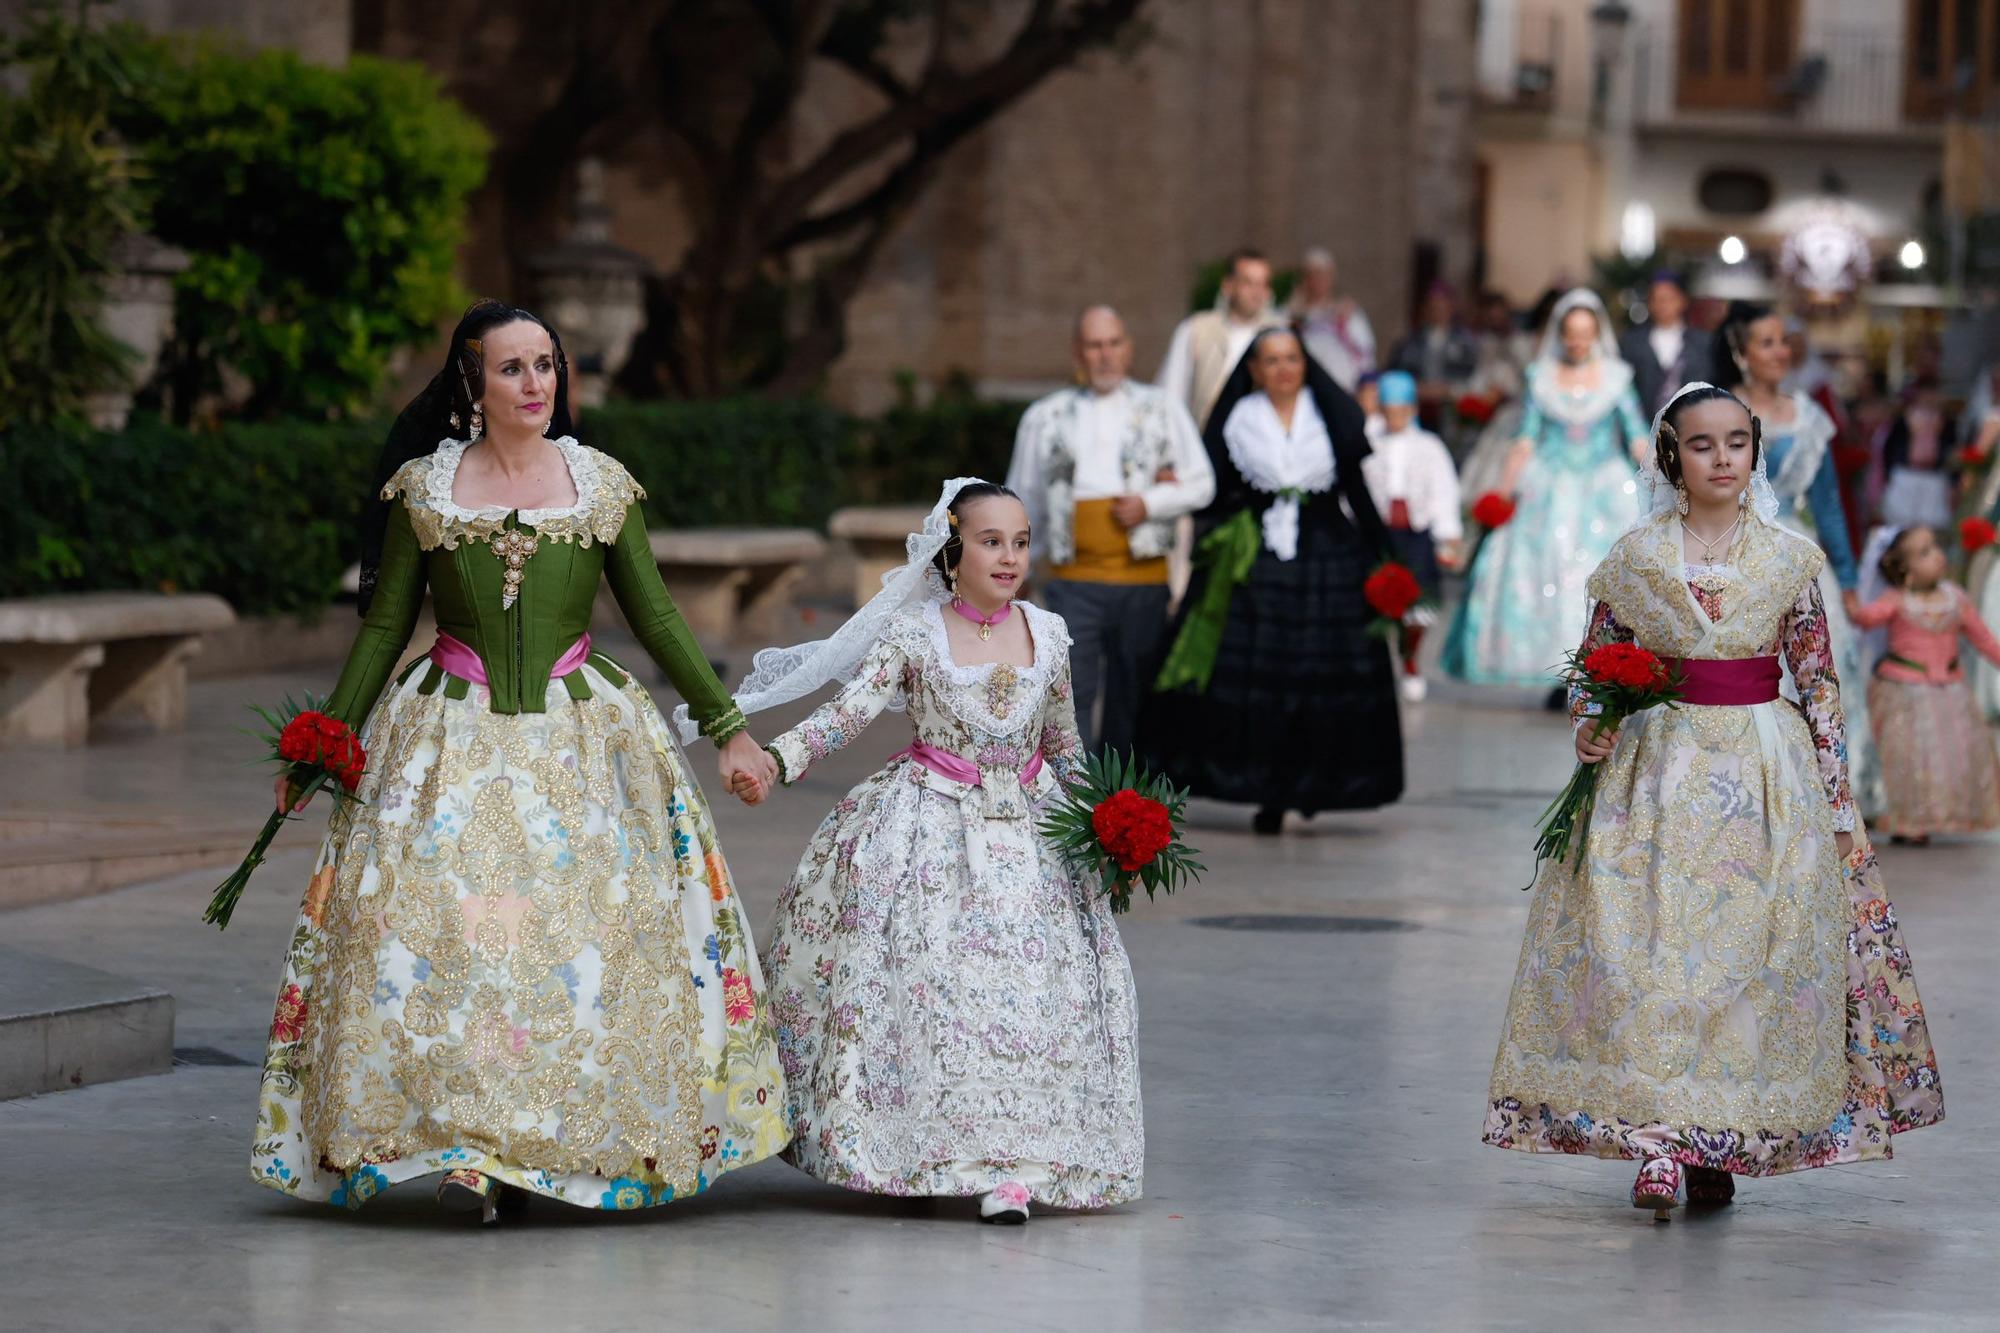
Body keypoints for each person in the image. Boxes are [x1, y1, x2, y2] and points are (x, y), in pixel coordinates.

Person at [248, 300, 788, 1222]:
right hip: (446, 733)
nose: (536, 384)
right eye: (513, 368)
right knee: (439, 935)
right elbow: (386, 625)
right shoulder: (425, 488)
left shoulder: (600, 483)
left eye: (547, 365)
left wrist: (728, 725)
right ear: (472, 381)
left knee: (582, 940)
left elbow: (655, 615)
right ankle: (463, 1146)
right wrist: (326, 740)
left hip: (582, 736)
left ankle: (558, 1142)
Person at [1485, 383, 1943, 1218]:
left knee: (1745, 962)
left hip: (1764, 777)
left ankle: (1713, 1137)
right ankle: (1660, 1143)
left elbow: (1819, 682)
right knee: (1652, 953)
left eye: (1738, 441)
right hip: (1656, 775)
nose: (1723, 457)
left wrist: (1839, 805)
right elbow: (1598, 661)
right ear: (1672, 457)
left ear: (1755, 451)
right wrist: (1593, 724)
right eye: (1703, 444)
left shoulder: (1789, 559)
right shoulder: (1637, 559)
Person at [711, 479, 1143, 1223]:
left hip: (1034, 837)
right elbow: (848, 714)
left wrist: (1114, 820)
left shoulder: (1050, 631)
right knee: (937, 986)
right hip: (932, 829)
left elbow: (1065, 744)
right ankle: (931, 1151)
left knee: (1036, 993)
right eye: (990, 541)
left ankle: (1018, 1166)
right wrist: (777, 762)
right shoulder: (916, 634)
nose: (1008, 556)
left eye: (1020, 541)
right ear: (952, 551)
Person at [1140, 327, 1402, 834]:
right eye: (1271, 360)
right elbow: (1213, 491)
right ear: (1254, 370)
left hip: (1328, 560)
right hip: (1252, 556)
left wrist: (1388, 561)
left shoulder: (1330, 415)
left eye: (1292, 358)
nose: (1283, 369)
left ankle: (1310, 783)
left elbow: (1357, 493)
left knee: (1315, 675)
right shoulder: (1238, 419)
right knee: (1253, 673)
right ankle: (1261, 786)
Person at [1005, 306, 1214, 752]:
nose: (1105, 355)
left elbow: (1202, 482)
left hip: (1142, 579)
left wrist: (1151, 502)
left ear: (1128, 348)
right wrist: (1014, 571)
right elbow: (1023, 503)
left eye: (1113, 343)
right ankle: (1075, 803)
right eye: (1094, 345)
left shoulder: (1162, 407)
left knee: (1132, 696)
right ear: (1078, 351)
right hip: (1070, 580)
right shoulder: (1046, 415)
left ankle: (1123, 807)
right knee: (1070, 693)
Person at [1718, 302, 1883, 814]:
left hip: (1800, 556)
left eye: (1783, 341)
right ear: (1741, 353)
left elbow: (1830, 505)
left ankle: (1825, 787)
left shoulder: (1810, 418)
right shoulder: (1718, 411)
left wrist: (1850, 580)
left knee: (1819, 669)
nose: (1780, 352)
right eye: (1766, 342)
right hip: (1737, 553)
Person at [1442, 288, 1647, 698]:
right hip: (1548, 485)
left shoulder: (1615, 378)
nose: (1577, 341)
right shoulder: (1542, 376)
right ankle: (1560, 672)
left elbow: (1636, 434)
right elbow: (1526, 439)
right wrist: (1501, 493)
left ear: (1596, 333)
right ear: (1561, 332)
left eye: (1585, 332)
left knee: (1598, 573)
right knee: (1546, 572)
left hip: (1605, 486)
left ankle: (1601, 667)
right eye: (1571, 332)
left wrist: (1662, 479)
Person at [1852, 525, 2000, 841]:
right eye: (1924, 553)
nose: (1936, 555)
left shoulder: (1955, 599)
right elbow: (1866, 619)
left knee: (1949, 755)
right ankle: (1908, 821)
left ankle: (1943, 815)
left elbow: (1984, 639)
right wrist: (1849, 598)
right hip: (1903, 692)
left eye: (1934, 547)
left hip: (1949, 694)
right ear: (1904, 571)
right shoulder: (1896, 600)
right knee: (1909, 758)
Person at [1362, 370, 1464, 701]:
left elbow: (1443, 490)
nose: (1394, 418)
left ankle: (1410, 661)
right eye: (1388, 411)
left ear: (1412, 410)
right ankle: (1375, 665)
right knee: (1375, 597)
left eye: (1401, 410)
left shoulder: (1429, 447)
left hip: (1416, 531)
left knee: (1417, 602)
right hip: (1379, 531)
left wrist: (1446, 532)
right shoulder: (1370, 442)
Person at [1159, 248, 1280, 429]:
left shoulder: (1279, 333)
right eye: (1248, 283)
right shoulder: (1195, 330)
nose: (1257, 292)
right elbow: (1172, 392)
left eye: (1263, 284)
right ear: (1228, 286)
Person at [1388, 281, 1480, 431]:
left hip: (1450, 413)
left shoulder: (1466, 342)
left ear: (1451, 307)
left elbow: (1474, 376)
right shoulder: (1411, 340)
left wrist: (1448, 390)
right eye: (1434, 308)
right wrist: (1415, 387)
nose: (1439, 312)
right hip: (1415, 408)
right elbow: (1396, 371)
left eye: (1443, 307)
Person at [1619, 271, 1713, 418]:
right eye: (1656, 299)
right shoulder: (1633, 341)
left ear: (1683, 301)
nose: (1663, 305)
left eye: (1669, 299)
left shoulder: (1703, 342)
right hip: (1644, 425)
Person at [1288, 246, 1375, 391]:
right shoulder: (1293, 313)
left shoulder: (1349, 313)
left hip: (1344, 389)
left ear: (1331, 276)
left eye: (1321, 274)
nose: (1316, 281)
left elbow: (1366, 354)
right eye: (1311, 274)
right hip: (1305, 390)